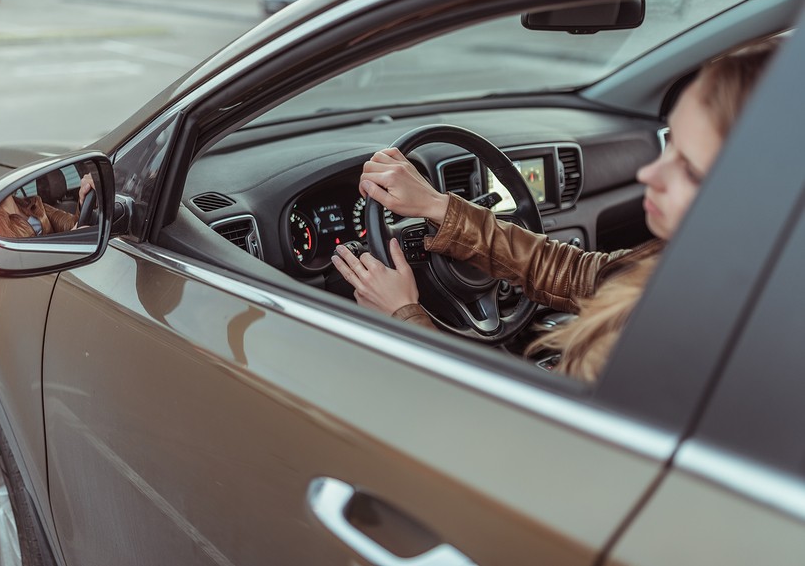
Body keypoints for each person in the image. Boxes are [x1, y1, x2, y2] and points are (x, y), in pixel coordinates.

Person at [331, 39, 779, 382]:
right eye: (670, 144)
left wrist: (403, 316)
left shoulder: (669, 342)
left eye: (691, 171)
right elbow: (581, 275)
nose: (649, 174)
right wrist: (436, 205)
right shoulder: (702, 273)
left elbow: (498, 441)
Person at [0, 172, 96, 238]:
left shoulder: (34, 204)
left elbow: (72, 224)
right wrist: (66, 242)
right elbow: (18, 259)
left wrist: (83, 199)